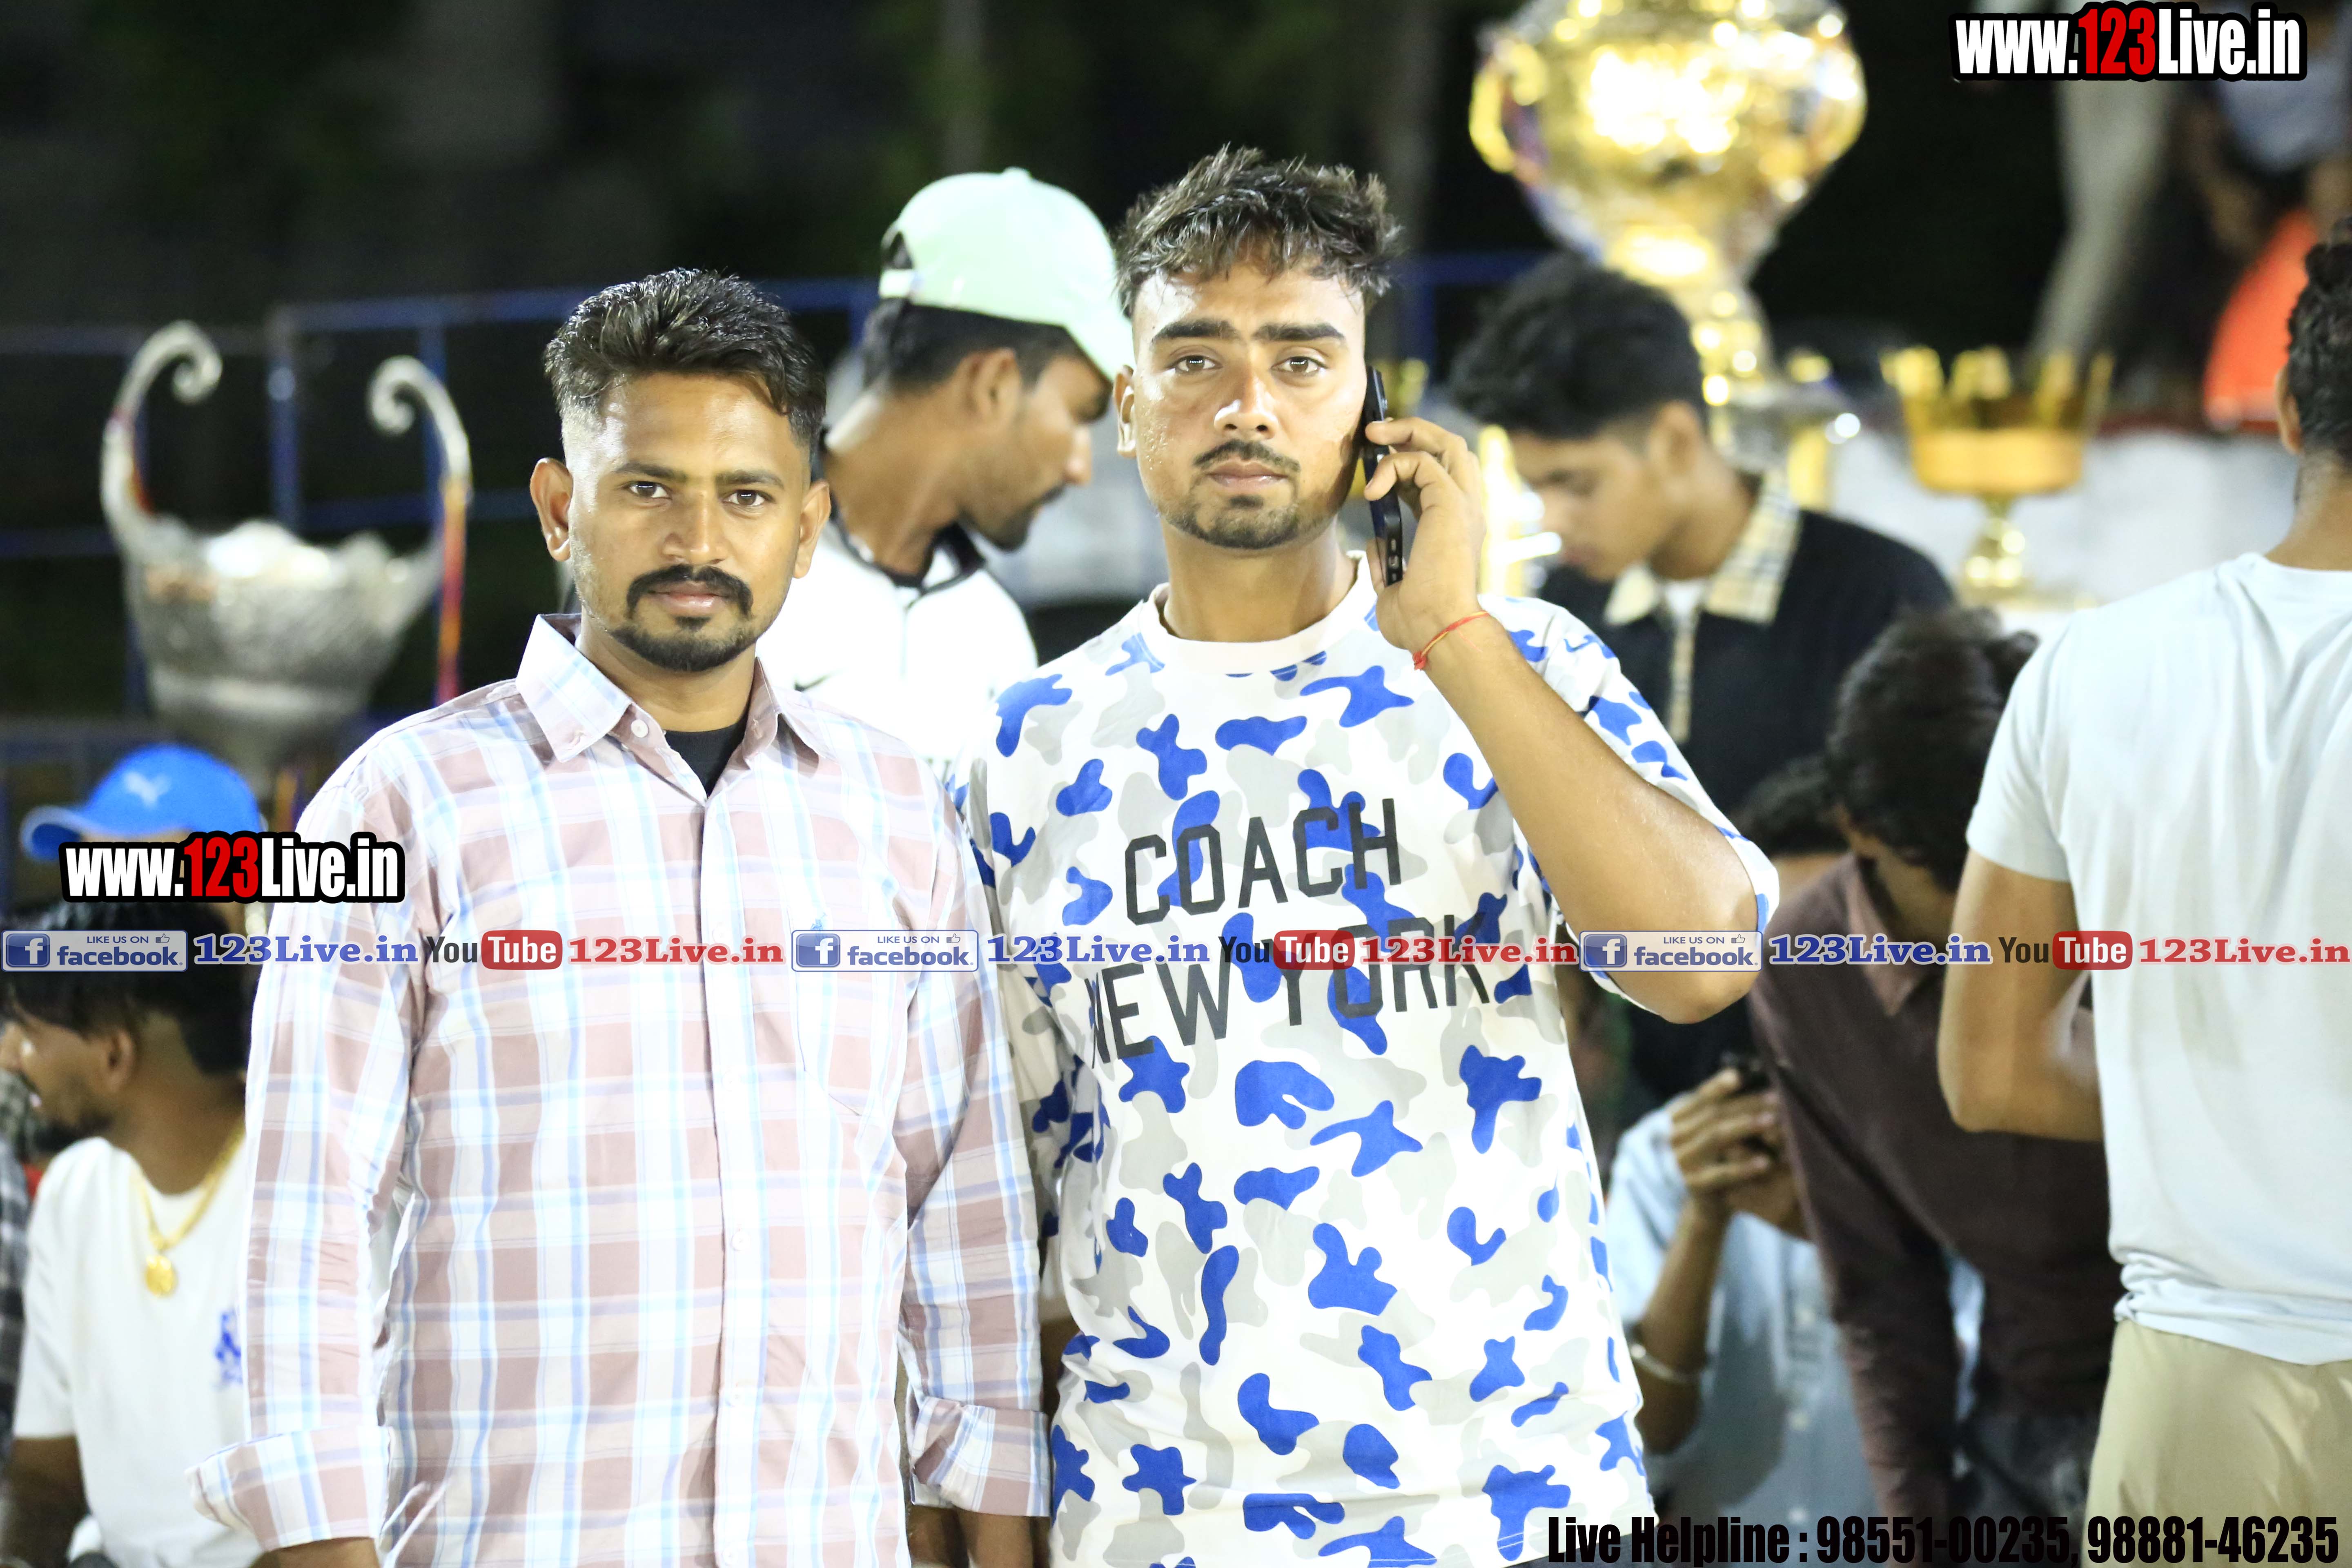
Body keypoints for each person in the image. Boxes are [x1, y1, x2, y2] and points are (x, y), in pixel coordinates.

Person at [965, 146, 1775, 1568]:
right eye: (1195, 358)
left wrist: (1454, 633)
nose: (1247, 403)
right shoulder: (1022, 750)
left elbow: (1704, 963)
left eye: (1301, 357)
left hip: (1514, 1493)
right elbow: (1001, 1195)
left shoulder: (1524, 664)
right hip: (1170, 1513)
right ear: (1129, 404)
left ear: (1374, 412)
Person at [189, 270, 1046, 1566]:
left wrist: (989, 1518)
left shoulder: (897, 816)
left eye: (747, 496)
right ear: (558, 508)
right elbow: (307, 1207)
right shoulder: (400, 807)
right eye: (648, 488)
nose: (699, 539)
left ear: (808, 528)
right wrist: (316, 1537)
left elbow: (961, 1202)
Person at [1943, 229, 2352, 1515]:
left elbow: (1992, 1068)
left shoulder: (2087, 665)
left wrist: (2234, 1110)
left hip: (2194, 1392)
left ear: (2289, 416)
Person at [1450, 259, 1951, 1106]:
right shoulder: (1567, 612)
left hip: (1852, 1089)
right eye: (1538, 489)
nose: (1555, 522)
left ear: (1677, 440)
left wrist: (1692, 917)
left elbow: (1937, 869)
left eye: (1576, 484)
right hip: (1648, 1101)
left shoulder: (1880, 594)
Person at [1751, 609, 2118, 1519]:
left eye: (2031, 868)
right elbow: (1881, 1290)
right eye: (1958, 883)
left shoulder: (2132, 886)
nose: (2000, 914)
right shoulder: (1807, 969)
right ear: (1858, 829)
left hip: (2214, 1368)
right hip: (2030, 1414)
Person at [1604, 760, 1984, 1525]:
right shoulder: (1672, 1156)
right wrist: (1703, 1223)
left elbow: (1991, 1432)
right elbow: (1638, 1452)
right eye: (1781, 951)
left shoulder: (1987, 1156)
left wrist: (1850, 1234)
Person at [755, 168, 1127, 772]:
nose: (1081, 466)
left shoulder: (998, 635)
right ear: (992, 384)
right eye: (1081, 415)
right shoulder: (731, 567)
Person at [0, 900, 258, 1568]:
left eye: (28, 1032)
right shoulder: (74, 1193)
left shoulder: (303, 1186)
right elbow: (45, 1474)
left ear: (114, 1055)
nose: (10, 1056)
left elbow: (354, 1504)